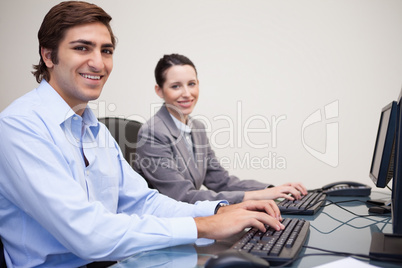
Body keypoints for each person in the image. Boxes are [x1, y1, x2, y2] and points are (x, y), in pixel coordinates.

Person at [0, 2, 285, 267]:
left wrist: (219, 211)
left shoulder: (93, 129)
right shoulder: (20, 127)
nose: (98, 63)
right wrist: (204, 224)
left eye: (106, 51)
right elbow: (88, 233)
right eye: (82, 48)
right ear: (48, 55)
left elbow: (142, 201)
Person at [134, 54, 308, 204]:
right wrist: (257, 196)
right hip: (164, 226)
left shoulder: (197, 128)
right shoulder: (153, 132)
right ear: (159, 91)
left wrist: (272, 189)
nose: (187, 93)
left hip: (190, 218)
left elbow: (221, 181)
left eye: (191, 84)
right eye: (176, 86)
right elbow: (182, 196)